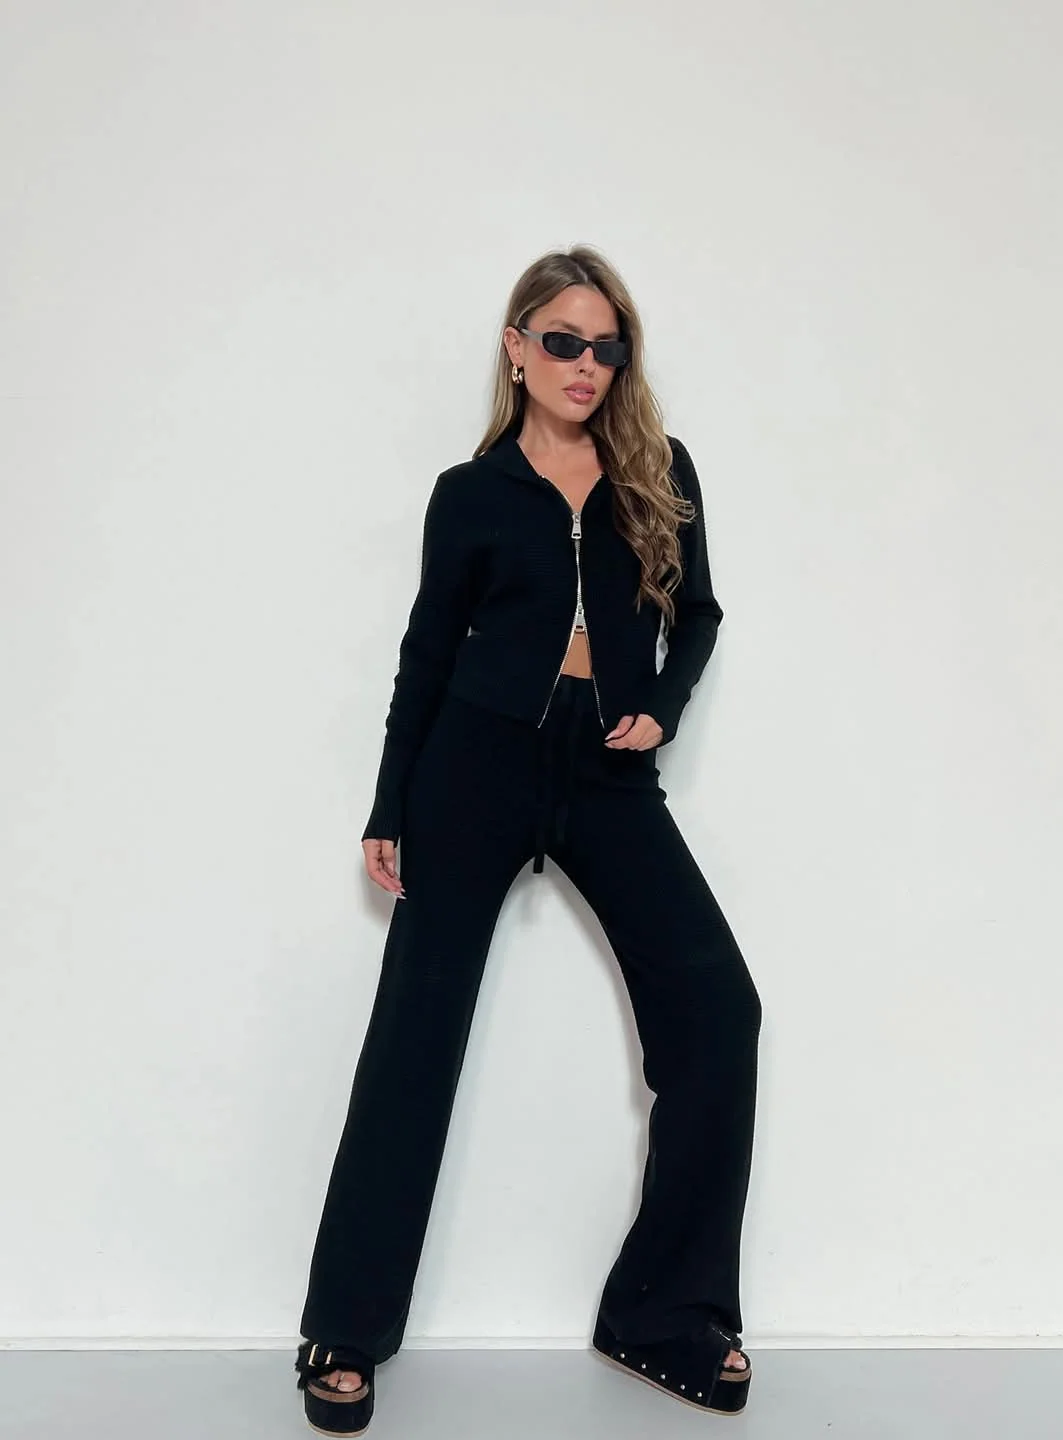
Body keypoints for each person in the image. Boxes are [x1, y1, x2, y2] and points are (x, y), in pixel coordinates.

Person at [294, 245, 763, 1436]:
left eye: (607, 346)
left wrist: (664, 703)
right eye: (563, 341)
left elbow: (699, 612)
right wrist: (390, 803)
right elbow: (426, 652)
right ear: (517, 348)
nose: (586, 365)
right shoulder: (472, 492)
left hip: (609, 771)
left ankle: (662, 1317)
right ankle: (344, 1326)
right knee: (415, 1037)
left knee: (718, 1011)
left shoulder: (658, 469)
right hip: (475, 767)